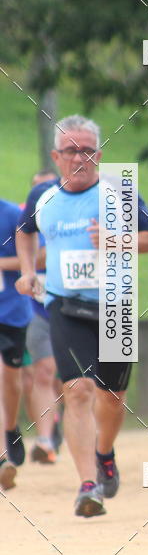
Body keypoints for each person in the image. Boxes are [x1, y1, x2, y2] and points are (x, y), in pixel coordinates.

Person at [16, 115, 148, 517]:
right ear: (56, 156)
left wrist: (118, 239)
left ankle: (105, 452)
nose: (79, 158)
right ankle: (87, 485)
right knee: (77, 390)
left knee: (112, 397)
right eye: (70, 151)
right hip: (65, 305)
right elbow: (24, 232)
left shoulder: (119, 190)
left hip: (116, 304)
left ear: (99, 154)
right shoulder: (43, 196)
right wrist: (29, 272)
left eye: (87, 151)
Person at [21, 169, 62, 463]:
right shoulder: (23, 220)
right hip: (38, 310)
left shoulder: (73, 213)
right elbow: (24, 253)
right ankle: (46, 440)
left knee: (79, 382)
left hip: (79, 308)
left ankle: (91, 439)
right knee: (43, 371)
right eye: (37, 189)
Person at [0, 198, 35, 488]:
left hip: (11, 311)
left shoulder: (13, 214)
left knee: (10, 382)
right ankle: (1, 458)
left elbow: (35, 257)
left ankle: (10, 427)